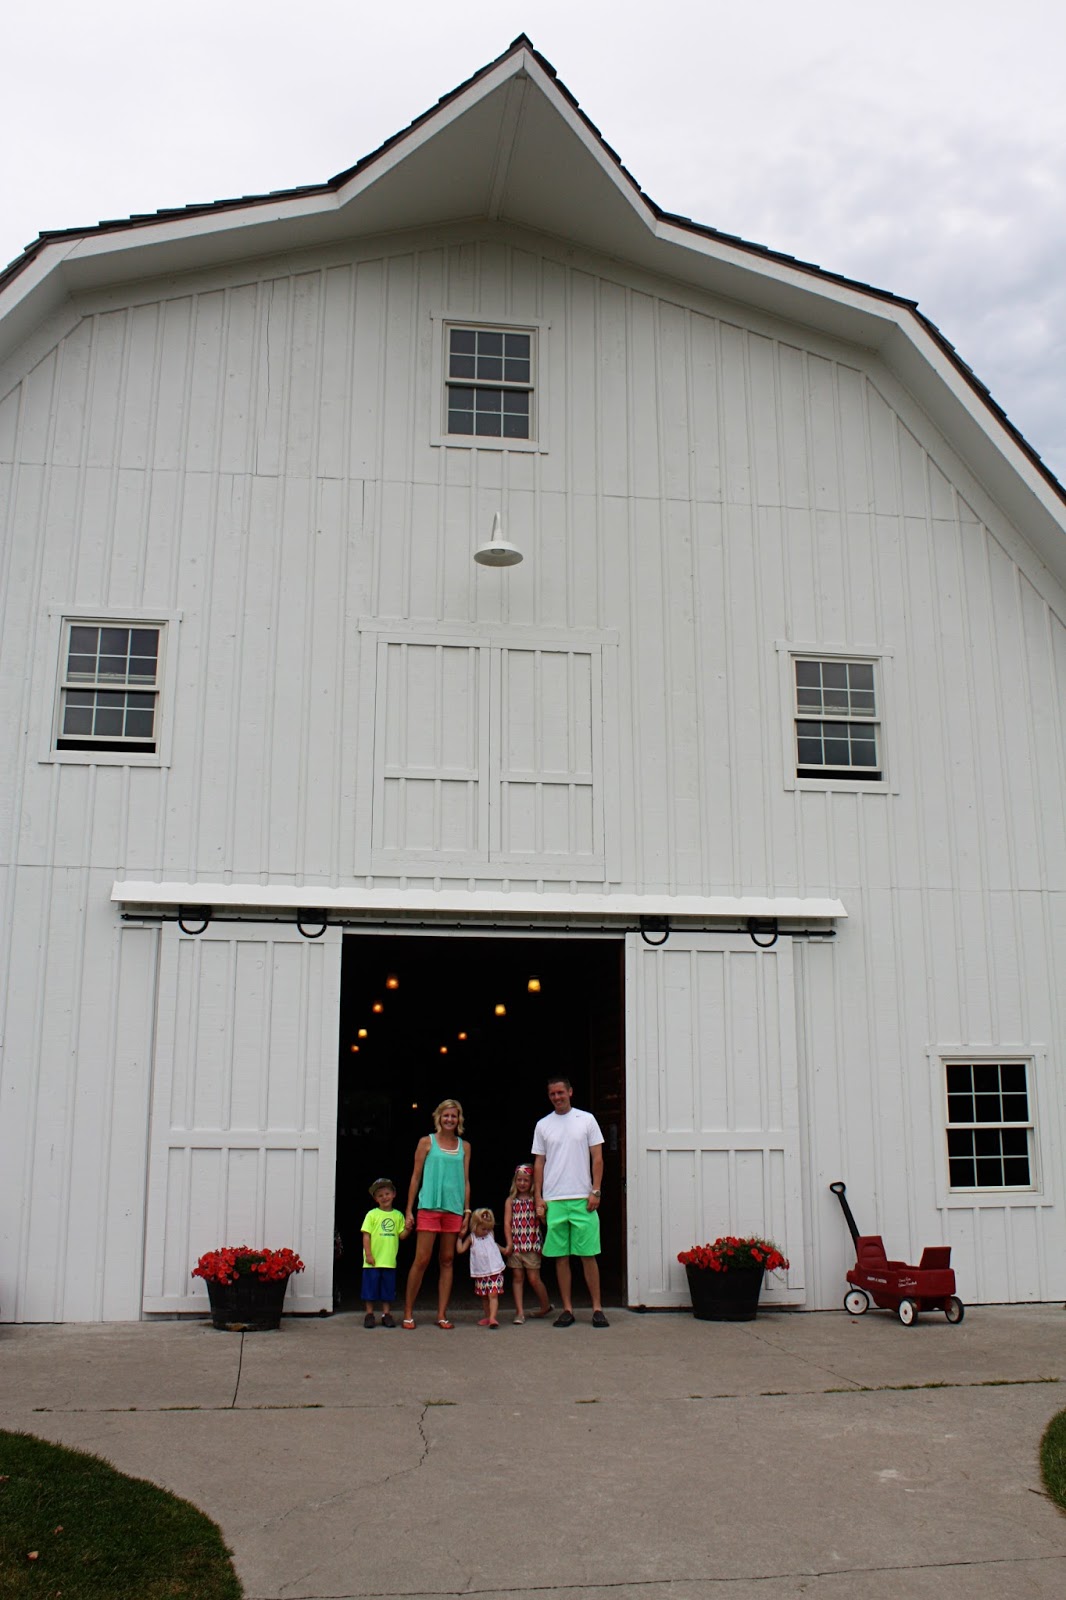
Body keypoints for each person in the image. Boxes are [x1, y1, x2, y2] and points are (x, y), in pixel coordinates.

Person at [532, 1076, 609, 1328]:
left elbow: (597, 1157)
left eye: (560, 1093)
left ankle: (597, 1308)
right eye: (552, 1094)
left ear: (570, 1092)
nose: (557, 1097)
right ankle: (567, 1309)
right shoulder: (543, 1125)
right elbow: (539, 1163)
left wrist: (596, 1190)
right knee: (561, 1256)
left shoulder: (586, 1120)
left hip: (582, 1198)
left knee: (588, 1254)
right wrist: (538, 1197)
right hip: (554, 1199)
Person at [402, 1099, 471, 1329]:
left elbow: (466, 1180)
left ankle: (442, 1314)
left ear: (459, 1119)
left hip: (453, 1208)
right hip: (429, 1206)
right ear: (439, 1117)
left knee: (447, 1260)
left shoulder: (464, 1146)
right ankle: (408, 1311)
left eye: (453, 1116)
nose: (449, 1119)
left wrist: (467, 1211)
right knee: (422, 1259)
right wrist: (409, 1210)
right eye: (446, 1115)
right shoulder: (426, 1142)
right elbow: (415, 1177)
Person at [503, 1163, 553, 1324]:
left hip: (531, 1245)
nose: (522, 1183)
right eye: (519, 1180)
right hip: (516, 1246)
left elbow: (545, 1223)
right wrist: (509, 1243)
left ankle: (545, 1306)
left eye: (526, 1180)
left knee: (533, 1278)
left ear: (532, 1182)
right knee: (517, 1278)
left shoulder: (535, 1201)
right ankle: (519, 1312)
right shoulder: (511, 1201)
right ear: (515, 1181)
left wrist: (542, 1214)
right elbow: (507, 1223)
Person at [360, 1178, 411, 1327]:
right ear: (376, 1199)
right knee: (370, 1289)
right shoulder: (372, 1214)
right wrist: (368, 1254)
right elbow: (366, 1235)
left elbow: (401, 1236)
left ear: (394, 1194)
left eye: (387, 1193)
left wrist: (408, 1228)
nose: (384, 1197)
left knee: (387, 1290)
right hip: (373, 1261)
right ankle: (369, 1314)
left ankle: (386, 1314)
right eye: (380, 1195)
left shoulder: (398, 1216)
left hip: (389, 1261)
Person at [456, 1206, 507, 1327]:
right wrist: (459, 1238)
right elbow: (460, 1250)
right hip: (481, 1273)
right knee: (484, 1296)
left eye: (488, 1228)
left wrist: (504, 1250)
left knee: (493, 1295)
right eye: (483, 1228)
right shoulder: (472, 1238)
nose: (486, 1231)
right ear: (474, 1226)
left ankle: (493, 1318)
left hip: (494, 1271)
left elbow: (494, 1245)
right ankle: (488, 1316)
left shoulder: (490, 1234)